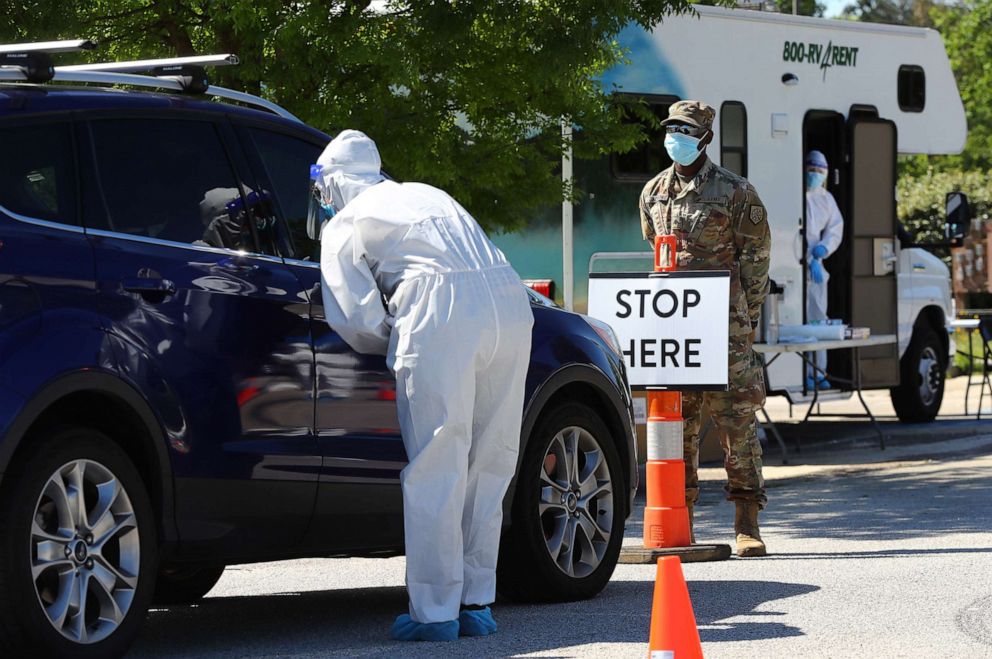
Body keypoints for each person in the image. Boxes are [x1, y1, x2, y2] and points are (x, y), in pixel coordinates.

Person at [311, 130, 534, 641]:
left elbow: (356, 318)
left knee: (439, 460)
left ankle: (434, 613)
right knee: (491, 458)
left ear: (331, 185)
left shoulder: (346, 221)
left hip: (442, 311)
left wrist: (403, 339)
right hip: (509, 302)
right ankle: (476, 602)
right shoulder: (425, 193)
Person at [638, 100, 771, 557]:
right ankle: (682, 519)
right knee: (680, 426)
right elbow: (654, 250)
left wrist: (744, 321)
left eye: (685, 129)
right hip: (675, 333)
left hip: (725, 331)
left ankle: (746, 521)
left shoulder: (735, 192)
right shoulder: (653, 192)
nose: (675, 136)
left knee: (736, 424)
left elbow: (756, 263)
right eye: (671, 128)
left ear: (705, 138)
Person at [804, 149, 844, 390]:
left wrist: (822, 250)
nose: (815, 175)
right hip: (796, 266)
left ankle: (818, 373)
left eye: (819, 172)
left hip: (816, 270)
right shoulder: (794, 194)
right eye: (811, 170)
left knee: (818, 322)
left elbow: (835, 229)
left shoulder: (826, 199)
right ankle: (802, 372)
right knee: (798, 323)